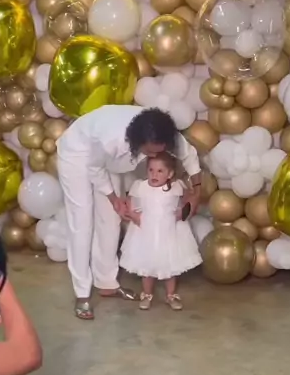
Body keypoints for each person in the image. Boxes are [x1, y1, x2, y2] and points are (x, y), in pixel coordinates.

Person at [56, 105, 202, 319]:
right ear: (137, 142)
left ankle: (107, 283)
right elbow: (94, 168)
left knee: (111, 219)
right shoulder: (112, 140)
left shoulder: (162, 132)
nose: (154, 156)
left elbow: (190, 156)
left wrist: (196, 192)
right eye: (150, 152)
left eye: (159, 151)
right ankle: (82, 293)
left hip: (106, 160)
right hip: (77, 154)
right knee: (82, 222)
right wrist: (114, 198)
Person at [120, 152, 202, 311]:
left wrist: (182, 211)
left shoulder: (176, 187)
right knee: (147, 265)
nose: (154, 175)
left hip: (169, 232)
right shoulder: (141, 186)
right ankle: (147, 294)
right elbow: (131, 201)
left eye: (160, 171)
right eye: (151, 170)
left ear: (169, 174)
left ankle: (170, 294)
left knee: (170, 265)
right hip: (147, 233)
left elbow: (187, 200)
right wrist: (134, 215)